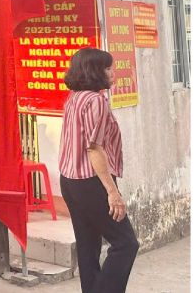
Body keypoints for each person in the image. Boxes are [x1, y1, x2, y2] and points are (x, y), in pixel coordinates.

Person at [59, 48, 138, 293]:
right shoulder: (96, 101)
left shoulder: (74, 97)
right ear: (95, 71)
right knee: (126, 243)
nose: (113, 73)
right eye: (108, 68)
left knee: (88, 245)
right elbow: (94, 149)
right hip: (91, 181)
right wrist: (112, 192)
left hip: (69, 181)